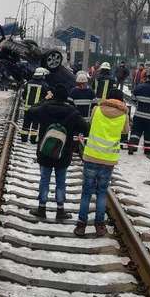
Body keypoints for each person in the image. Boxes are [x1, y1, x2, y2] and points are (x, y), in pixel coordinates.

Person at [21, 84, 88, 221]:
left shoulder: (45, 108)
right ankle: (60, 210)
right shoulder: (72, 112)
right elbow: (85, 127)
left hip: (45, 152)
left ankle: (41, 208)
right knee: (61, 181)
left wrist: (44, 100)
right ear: (66, 97)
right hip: (63, 153)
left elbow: (30, 111)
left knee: (44, 179)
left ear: (54, 95)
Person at [75, 88, 130, 237]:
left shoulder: (96, 110)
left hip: (91, 156)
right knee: (101, 192)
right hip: (108, 159)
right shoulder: (124, 115)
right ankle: (99, 225)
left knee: (86, 192)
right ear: (121, 100)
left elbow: (91, 124)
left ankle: (81, 225)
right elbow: (125, 132)